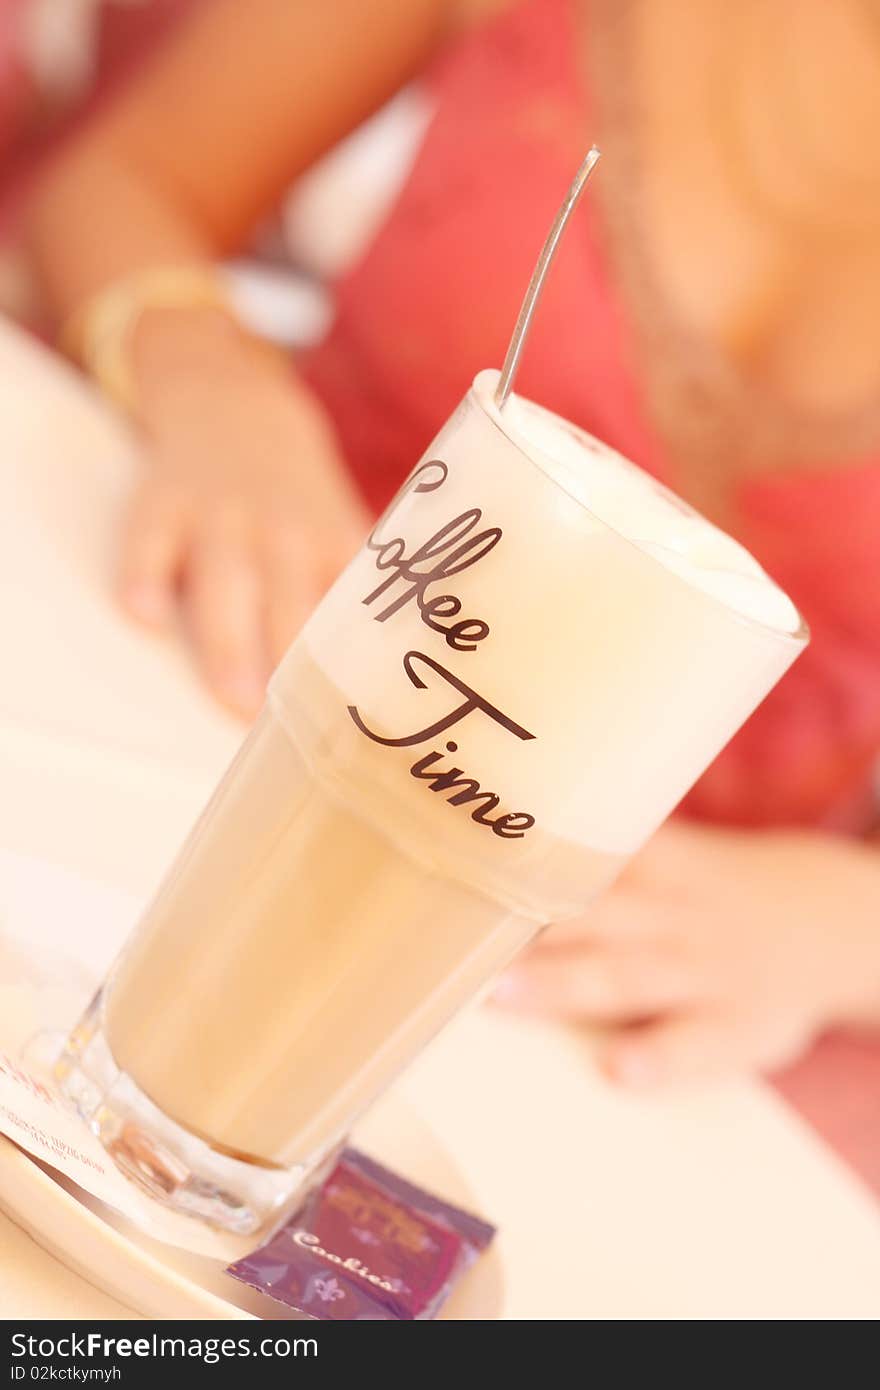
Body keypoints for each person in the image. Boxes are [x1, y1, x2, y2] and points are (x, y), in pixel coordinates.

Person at [22, 0, 880, 1086]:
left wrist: (852, 926)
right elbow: (125, 178)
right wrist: (213, 378)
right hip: (231, 707)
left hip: (617, 1005)